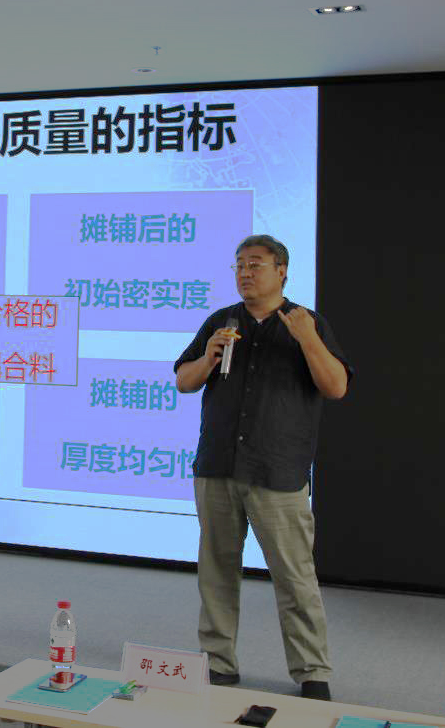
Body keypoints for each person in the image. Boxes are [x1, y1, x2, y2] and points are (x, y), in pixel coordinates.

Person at [173, 234, 352, 702]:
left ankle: (311, 670)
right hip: (217, 466)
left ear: (282, 271)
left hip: (277, 472)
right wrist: (209, 355)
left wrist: (307, 340)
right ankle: (218, 663)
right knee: (217, 572)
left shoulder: (306, 322)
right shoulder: (221, 321)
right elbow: (184, 382)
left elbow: (336, 387)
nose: (245, 273)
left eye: (255, 264)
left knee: (294, 577)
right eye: (238, 265)